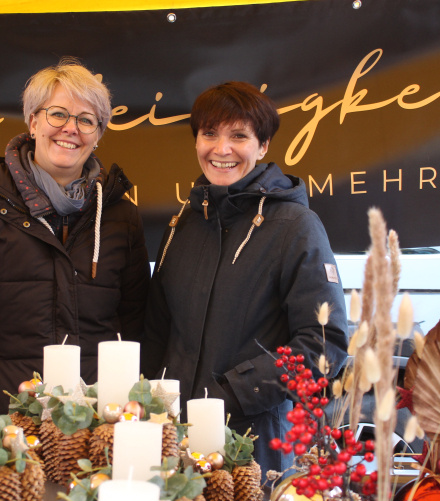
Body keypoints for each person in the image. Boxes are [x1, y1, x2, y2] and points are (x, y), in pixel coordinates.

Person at [0, 59, 150, 413]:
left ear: (98, 135)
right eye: (58, 114)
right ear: (33, 122)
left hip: (96, 423)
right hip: (2, 422)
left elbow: (135, 327)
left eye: (86, 120)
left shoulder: (121, 217)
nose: (71, 128)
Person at [142, 81, 348, 474]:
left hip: (250, 445)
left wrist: (234, 393)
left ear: (263, 146)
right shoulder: (182, 223)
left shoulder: (295, 226)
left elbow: (325, 342)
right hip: (170, 440)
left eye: (239, 136)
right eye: (210, 134)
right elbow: (156, 333)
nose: (221, 149)